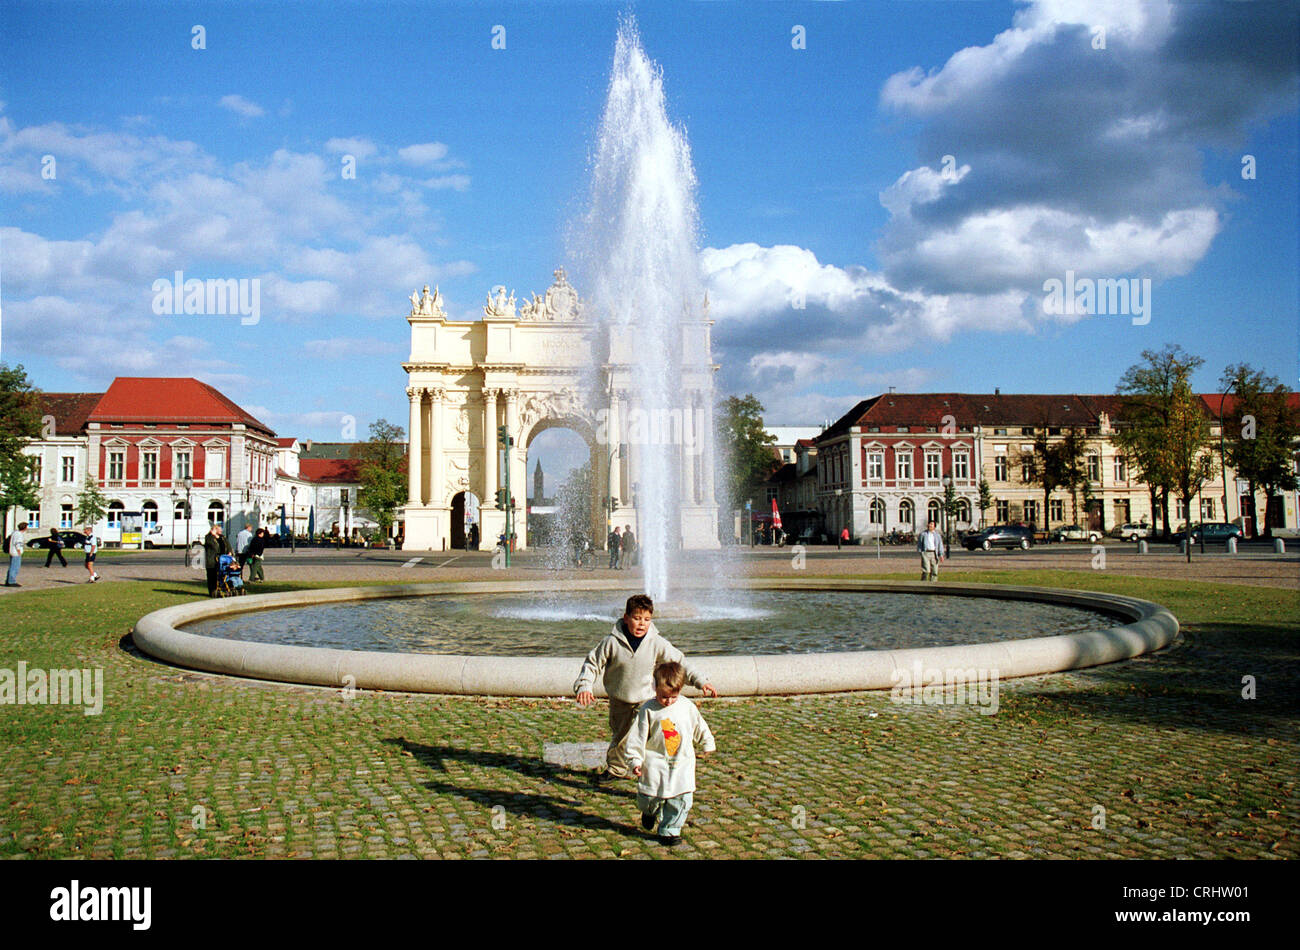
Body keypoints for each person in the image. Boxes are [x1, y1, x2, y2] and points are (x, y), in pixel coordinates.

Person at [574, 594, 717, 784]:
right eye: (637, 618)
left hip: (647, 699)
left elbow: (680, 663)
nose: (642, 624)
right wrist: (585, 686)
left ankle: (650, 770)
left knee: (649, 736)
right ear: (626, 618)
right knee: (621, 736)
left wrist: (700, 681)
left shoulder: (657, 642)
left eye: (647, 620)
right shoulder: (611, 642)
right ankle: (616, 769)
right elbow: (592, 664)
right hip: (620, 698)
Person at [626, 661, 716, 846]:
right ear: (655, 687)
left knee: (681, 799)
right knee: (650, 797)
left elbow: (699, 725)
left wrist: (707, 741)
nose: (668, 701)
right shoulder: (649, 709)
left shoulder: (686, 707)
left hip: (682, 763)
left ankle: (670, 830)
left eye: (673, 696)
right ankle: (649, 811)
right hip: (655, 763)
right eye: (663, 696)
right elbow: (637, 737)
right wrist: (635, 760)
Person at [203, 523, 232, 597]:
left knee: (222, 576)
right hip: (212, 561)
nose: (221, 531)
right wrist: (213, 535)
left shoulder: (222, 537)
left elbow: (228, 545)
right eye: (219, 529)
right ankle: (212, 592)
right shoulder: (209, 537)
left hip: (223, 560)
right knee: (212, 577)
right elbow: (212, 545)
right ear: (214, 530)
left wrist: (230, 552)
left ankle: (221, 590)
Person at [5, 522, 27, 587]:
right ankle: (11, 581)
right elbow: (18, 543)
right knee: (15, 567)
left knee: (12, 566)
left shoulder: (14, 533)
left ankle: (8, 580)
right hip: (16, 552)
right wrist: (19, 551)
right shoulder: (19, 534)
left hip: (12, 551)